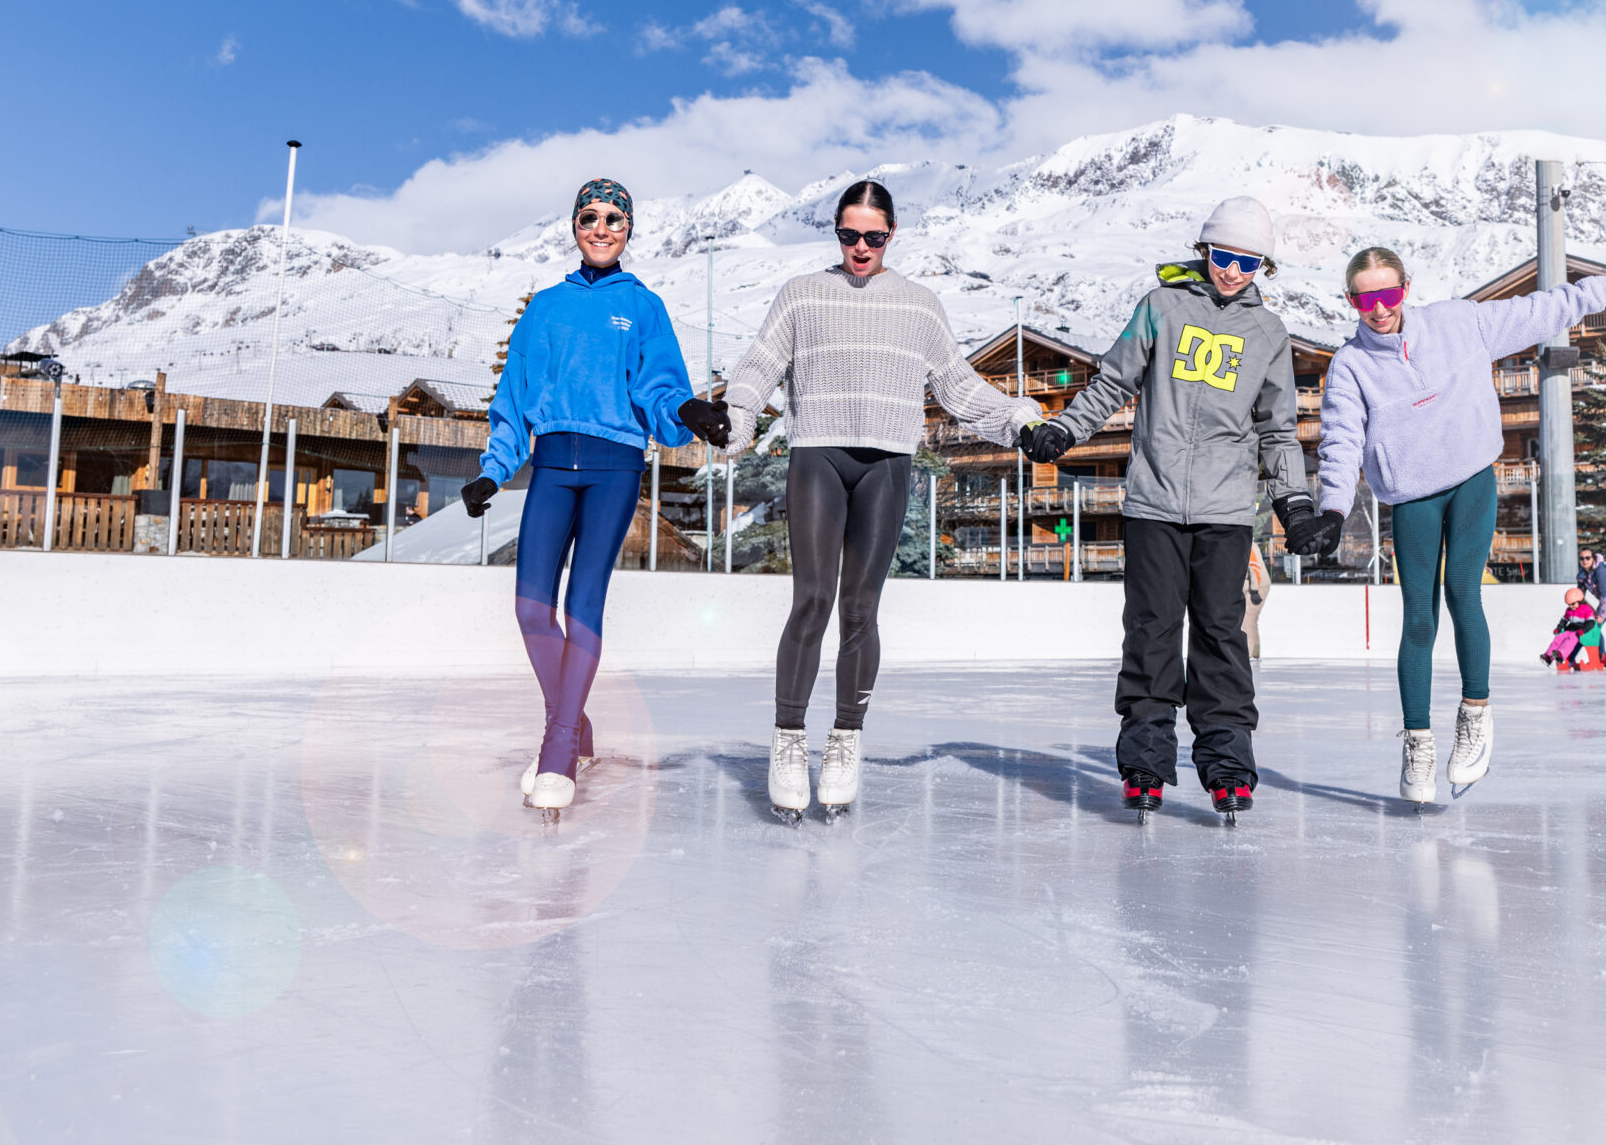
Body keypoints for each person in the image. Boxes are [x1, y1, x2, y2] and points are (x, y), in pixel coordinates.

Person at [682, 180, 1040, 822]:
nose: (860, 248)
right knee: (813, 599)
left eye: (873, 237)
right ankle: (789, 741)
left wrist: (1019, 420)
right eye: (848, 235)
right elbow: (758, 370)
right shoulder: (802, 294)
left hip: (887, 464)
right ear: (837, 234)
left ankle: (846, 739)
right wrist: (732, 423)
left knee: (861, 608)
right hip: (817, 455)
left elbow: (956, 387)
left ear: (891, 235)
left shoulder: (920, 305)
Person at [1311, 242, 1606, 804]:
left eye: (1390, 293)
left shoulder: (1457, 323)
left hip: (1471, 476)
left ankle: (1475, 715)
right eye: (1366, 298)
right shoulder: (1350, 366)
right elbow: (1341, 439)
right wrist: (1331, 507)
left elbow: (1534, 313)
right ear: (1351, 301)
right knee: (1417, 615)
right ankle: (1418, 742)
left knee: (1462, 592)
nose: (1379, 308)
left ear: (1406, 289)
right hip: (1412, 496)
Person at [1019, 197, 1324, 822]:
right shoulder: (1160, 308)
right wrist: (1065, 430)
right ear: (1203, 249)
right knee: (1152, 632)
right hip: (1154, 502)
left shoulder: (1267, 334)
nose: (1233, 271)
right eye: (1224, 256)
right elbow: (1111, 381)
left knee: (1221, 636)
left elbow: (1278, 430)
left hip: (1228, 509)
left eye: (1248, 261)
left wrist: (1292, 502)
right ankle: (1145, 763)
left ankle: (1228, 764)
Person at [464, 178, 694, 815]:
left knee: (582, 602)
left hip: (614, 467)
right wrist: (494, 468)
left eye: (614, 218)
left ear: (628, 230)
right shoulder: (544, 307)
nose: (601, 227)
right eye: (589, 216)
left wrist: (689, 413)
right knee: (532, 610)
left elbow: (660, 391)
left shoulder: (642, 306)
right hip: (550, 469)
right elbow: (513, 398)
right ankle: (576, 727)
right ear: (573, 226)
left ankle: (560, 747)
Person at [1540, 588, 1601, 670]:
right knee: (1559, 638)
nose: (1570, 606)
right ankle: (1548, 657)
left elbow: (1591, 622)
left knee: (1571, 640)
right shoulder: (1569, 610)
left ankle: (1561, 655)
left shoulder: (1586, 609)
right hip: (1570, 629)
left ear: (1579, 601)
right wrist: (1559, 628)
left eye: (1573, 604)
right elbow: (1564, 620)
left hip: (1580, 632)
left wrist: (1583, 630)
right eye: (1569, 604)